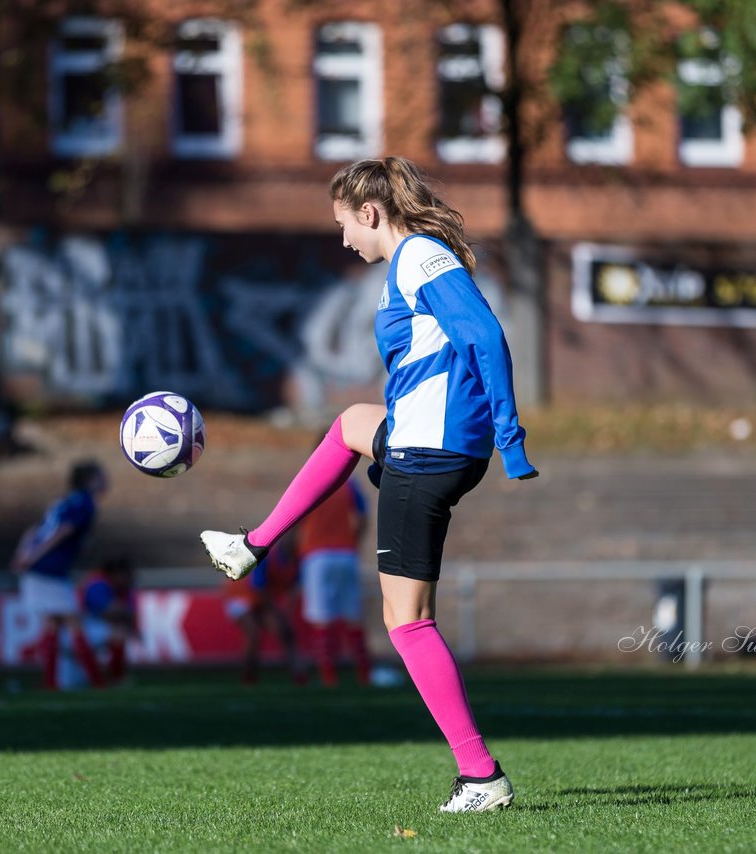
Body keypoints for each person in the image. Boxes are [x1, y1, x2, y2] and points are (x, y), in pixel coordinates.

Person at [201, 156, 537, 813]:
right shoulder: (413, 262)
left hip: (432, 449)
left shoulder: (415, 256)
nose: (343, 239)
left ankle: (480, 776)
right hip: (430, 441)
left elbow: (487, 336)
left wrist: (511, 436)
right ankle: (255, 543)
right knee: (353, 423)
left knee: (407, 625)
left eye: (342, 224)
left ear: (370, 212)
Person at [11, 460, 109, 690]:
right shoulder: (85, 503)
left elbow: (34, 530)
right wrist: (32, 557)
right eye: (102, 476)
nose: (107, 481)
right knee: (74, 624)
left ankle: (51, 682)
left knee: (52, 625)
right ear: (91, 479)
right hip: (49, 571)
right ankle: (97, 682)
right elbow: (62, 531)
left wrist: (22, 554)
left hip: (40, 569)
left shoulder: (64, 501)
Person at [295, 476, 372, 687]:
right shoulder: (350, 483)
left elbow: (293, 517)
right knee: (353, 617)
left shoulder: (307, 478)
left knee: (322, 619)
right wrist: (353, 542)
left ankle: (329, 677)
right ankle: (364, 674)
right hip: (346, 553)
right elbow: (363, 515)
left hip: (316, 555)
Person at [221, 541, 308, 685]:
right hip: (240, 596)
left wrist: (284, 610)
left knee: (285, 632)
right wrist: (276, 611)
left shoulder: (298, 560)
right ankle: (249, 676)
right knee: (253, 633)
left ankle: (298, 673)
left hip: (262, 600)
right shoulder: (268, 558)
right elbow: (257, 587)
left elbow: (294, 589)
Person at [77, 557, 139, 686]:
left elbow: (129, 615)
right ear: (115, 573)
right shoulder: (98, 584)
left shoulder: (125, 590)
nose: (130, 578)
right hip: (82, 629)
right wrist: (123, 614)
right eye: (126, 574)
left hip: (94, 629)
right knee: (71, 683)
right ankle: (113, 677)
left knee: (119, 633)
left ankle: (114, 676)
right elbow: (111, 612)